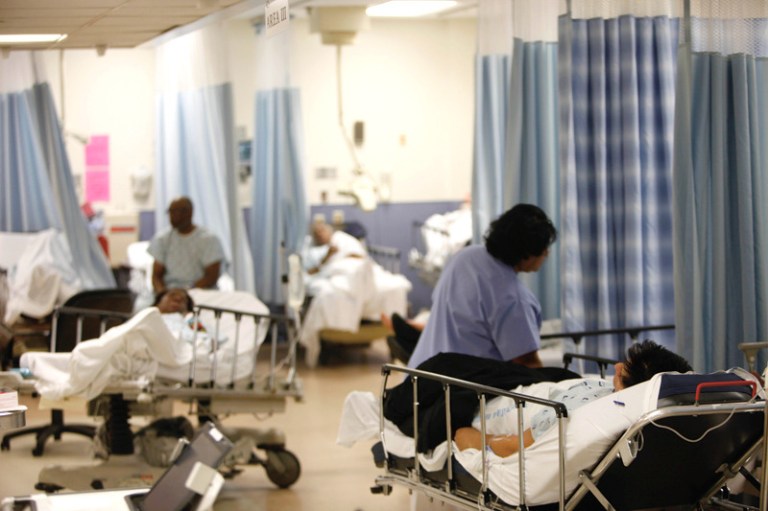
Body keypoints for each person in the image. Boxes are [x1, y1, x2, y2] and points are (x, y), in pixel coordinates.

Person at [453, 340, 693, 457]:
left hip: (504, 402)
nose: (617, 367)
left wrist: (462, 434)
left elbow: (512, 445)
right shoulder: (682, 423)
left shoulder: (573, 414)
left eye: (623, 371)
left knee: (449, 374)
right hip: (550, 383)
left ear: (628, 392)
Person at [407, 203, 557, 370]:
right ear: (528, 252)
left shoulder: (465, 257)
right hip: (462, 389)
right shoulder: (513, 298)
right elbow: (527, 363)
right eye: (544, 248)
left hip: (419, 375)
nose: (547, 254)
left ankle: (410, 333)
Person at [148, 197, 225, 294]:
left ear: (190, 212)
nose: (172, 216)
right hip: (169, 292)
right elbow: (156, 276)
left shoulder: (208, 240)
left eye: (177, 211)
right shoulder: (163, 239)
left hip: (200, 291)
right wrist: (162, 294)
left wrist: (187, 293)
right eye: (170, 212)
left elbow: (211, 277)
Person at [301, 219, 366, 277]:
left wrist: (349, 257)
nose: (320, 235)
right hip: (329, 276)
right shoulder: (311, 251)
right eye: (317, 233)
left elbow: (361, 257)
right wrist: (328, 256)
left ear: (329, 231)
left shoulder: (341, 239)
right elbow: (309, 272)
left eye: (322, 231)